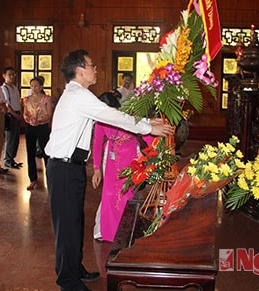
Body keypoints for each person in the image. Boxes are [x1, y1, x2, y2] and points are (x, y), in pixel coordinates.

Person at [44, 49, 174, 291]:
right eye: (92, 65)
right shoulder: (78, 96)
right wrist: (147, 128)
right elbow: (111, 116)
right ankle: (68, 282)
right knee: (66, 227)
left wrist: (147, 123)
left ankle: (74, 268)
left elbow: (114, 116)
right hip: (62, 168)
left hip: (70, 167)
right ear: (80, 70)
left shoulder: (78, 94)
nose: (96, 69)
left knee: (75, 222)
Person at [91, 92, 151, 242]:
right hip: (110, 159)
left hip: (131, 159)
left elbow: (145, 132)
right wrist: (96, 169)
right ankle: (109, 233)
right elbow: (97, 143)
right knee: (110, 195)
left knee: (128, 194)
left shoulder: (128, 116)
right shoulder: (100, 121)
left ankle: (128, 231)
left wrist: (156, 152)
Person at [23, 76, 52, 190]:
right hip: (30, 127)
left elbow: (49, 114)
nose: (34, 88)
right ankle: (33, 179)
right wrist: (27, 118)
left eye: (36, 86)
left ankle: (50, 178)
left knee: (46, 153)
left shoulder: (47, 99)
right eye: (32, 86)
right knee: (30, 153)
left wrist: (39, 120)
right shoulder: (27, 99)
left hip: (42, 127)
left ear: (41, 87)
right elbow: (25, 114)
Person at [1, 66, 23, 169]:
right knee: (10, 139)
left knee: (16, 139)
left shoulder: (14, 87)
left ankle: (12, 158)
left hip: (17, 114)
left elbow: (18, 102)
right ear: (4, 76)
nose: (12, 77)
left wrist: (21, 113)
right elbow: (7, 105)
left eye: (13, 75)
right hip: (11, 115)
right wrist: (16, 115)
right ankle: (7, 160)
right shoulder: (4, 88)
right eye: (10, 75)